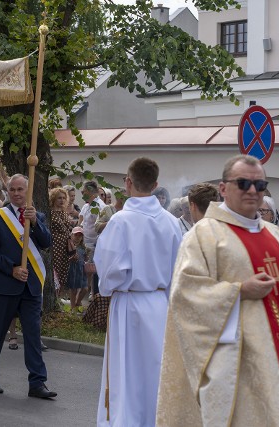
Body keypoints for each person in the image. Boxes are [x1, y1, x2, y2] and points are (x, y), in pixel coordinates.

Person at [157, 154, 279, 426]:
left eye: (260, 185)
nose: (253, 191)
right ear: (224, 188)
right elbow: (185, 295)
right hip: (234, 364)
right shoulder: (204, 235)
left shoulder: (276, 235)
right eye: (243, 183)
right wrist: (239, 291)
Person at [95, 157, 182, 426]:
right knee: (155, 371)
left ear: (128, 182)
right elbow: (178, 269)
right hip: (159, 304)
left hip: (129, 305)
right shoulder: (171, 222)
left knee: (126, 372)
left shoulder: (121, 221)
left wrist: (109, 287)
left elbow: (107, 272)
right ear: (156, 185)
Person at [0, 174, 56, 399]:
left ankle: (37, 382)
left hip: (31, 287)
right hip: (6, 285)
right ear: (8, 191)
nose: (16, 193)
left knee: (33, 336)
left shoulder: (37, 215)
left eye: (20, 189)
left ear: (27, 190)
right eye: (12, 189)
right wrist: (11, 267)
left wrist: (35, 223)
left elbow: (46, 243)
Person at [49, 187, 73, 295]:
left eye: (64, 198)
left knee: (63, 271)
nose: (62, 200)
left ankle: (58, 297)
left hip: (64, 247)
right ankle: (53, 295)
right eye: (59, 198)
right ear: (53, 198)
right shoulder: (50, 212)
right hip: (54, 246)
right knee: (54, 272)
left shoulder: (64, 212)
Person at [67, 227, 88, 312]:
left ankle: (78, 302)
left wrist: (87, 256)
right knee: (73, 289)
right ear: (71, 235)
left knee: (85, 288)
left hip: (81, 270)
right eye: (76, 235)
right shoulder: (69, 245)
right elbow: (65, 259)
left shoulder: (83, 247)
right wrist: (71, 258)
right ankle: (73, 308)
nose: (77, 237)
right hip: (72, 270)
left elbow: (85, 259)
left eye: (80, 236)